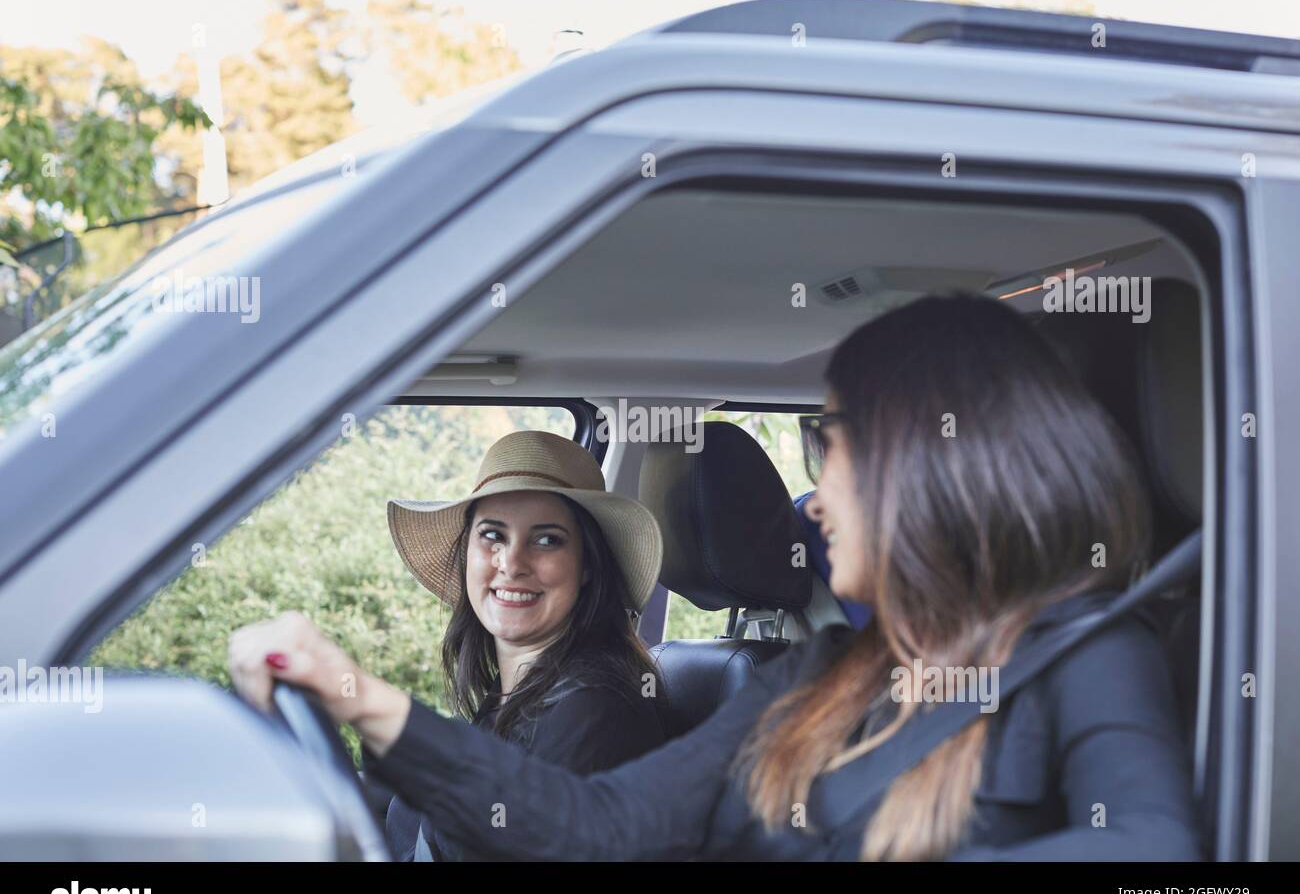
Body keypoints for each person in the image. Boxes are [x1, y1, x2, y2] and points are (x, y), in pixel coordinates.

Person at [230, 295, 1202, 861]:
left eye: (826, 445)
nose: (811, 496)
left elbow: (1169, 874)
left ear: (926, 460)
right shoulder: (822, 672)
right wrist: (356, 695)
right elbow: (597, 821)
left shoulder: (1086, 656)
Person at [233, 430, 666, 860]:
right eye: (493, 535)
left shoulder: (594, 709)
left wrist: (358, 695)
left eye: (547, 539)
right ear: (467, 554)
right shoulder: (513, 695)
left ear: (587, 565)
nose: (511, 563)